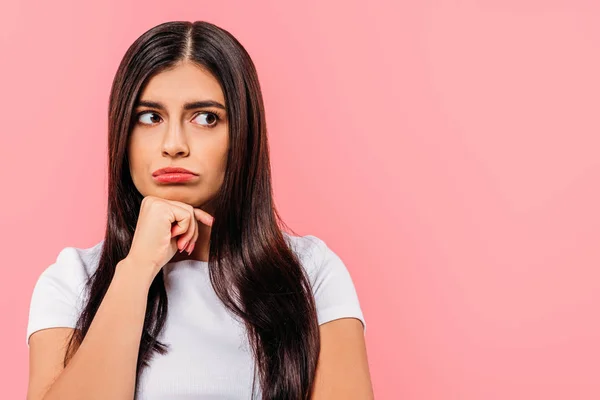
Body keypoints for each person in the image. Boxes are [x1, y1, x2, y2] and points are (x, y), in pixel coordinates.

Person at [26, 20, 373, 400]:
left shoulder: (310, 273)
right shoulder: (73, 280)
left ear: (242, 134)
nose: (174, 144)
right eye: (150, 117)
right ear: (122, 134)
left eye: (206, 118)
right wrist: (137, 269)